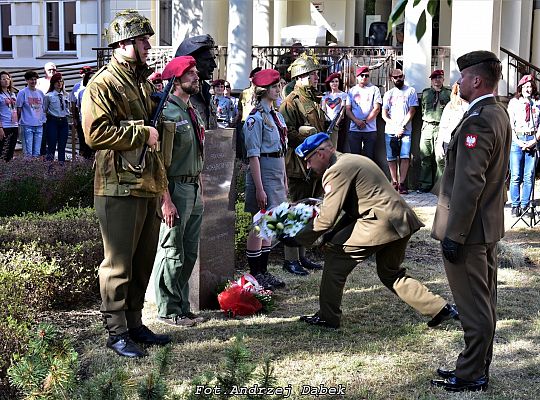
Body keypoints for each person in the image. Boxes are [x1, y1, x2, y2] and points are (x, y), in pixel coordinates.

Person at [288, 133, 458, 331]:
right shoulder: (351, 160)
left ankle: (328, 317)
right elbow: (355, 209)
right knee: (390, 273)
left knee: (336, 257)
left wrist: (297, 239)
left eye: (309, 160)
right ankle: (440, 309)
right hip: (401, 220)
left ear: (321, 154)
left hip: (381, 223)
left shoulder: (335, 171)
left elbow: (326, 218)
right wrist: (332, 235)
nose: (308, 166)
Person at [82, 9, 170, 358]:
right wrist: (140, 132)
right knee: (118, 264)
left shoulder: (141, 81)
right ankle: (116, 332)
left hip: (145, 181)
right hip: (117, 185)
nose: (148, 45)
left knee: (143, 259)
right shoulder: (102, 83)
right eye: (142, 40)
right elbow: (94, 133)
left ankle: (134, 323)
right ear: (122, 44)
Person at [431, 50, 511, 392]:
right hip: (485, 226)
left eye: (462, 77)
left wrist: (455, 234)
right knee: (484, 302)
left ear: (477, 80)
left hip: (470, 230)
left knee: (473, 306)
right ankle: (475, 366)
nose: (457, 82)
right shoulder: (497, 112)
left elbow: (468, 183)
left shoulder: (478, 119)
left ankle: (472, 373)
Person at [152, 56, 207, 327]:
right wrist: (166, 200)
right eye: (190, 74)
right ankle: (167, 308)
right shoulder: (167, 113)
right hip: (175, 188)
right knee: (173, 250)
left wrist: (201, 186)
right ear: (175, 80)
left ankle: (182, 306)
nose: (196, 77)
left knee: (189, 251)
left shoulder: (190, 109)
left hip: (193, 187)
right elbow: (158, 163)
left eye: (196, 72)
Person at [279, 53, 327, 276]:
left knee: (308, 210)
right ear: (300, 77)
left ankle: (302, 256)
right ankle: (290, 259)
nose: (316, 77)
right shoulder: (291, 103)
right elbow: (286, 133)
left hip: (314, 162)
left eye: (316, 73)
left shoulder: (313, 99)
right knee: (295, 209)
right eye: (312, 74)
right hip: (298, 164)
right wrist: (306, 136)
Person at [243, 68, 288, 291]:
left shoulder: (276, 115)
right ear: (262, 90)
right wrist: (259, 188)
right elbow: (253, 155)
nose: (278, 89)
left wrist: (285, 178)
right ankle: (256, 273)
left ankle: (265, 271)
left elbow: (281, 148)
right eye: (274, 86)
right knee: (259, 223)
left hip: (277, 169)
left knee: (271, 222)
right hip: (263, 171)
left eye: (278, 85)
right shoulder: (255, 118)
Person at [507, 74, 540, 217]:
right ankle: (515, 205)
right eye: (526, 87)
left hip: (533, 139)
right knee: (515, 175)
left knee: (529, 175)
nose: (529, 89)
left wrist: (535, 140)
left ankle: (525, 205)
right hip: (518, 140)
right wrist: (519, 142)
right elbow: (510, 125)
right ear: (521, 88)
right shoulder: (514, 102)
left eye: (531, 86)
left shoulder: (537, 102)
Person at [381, 68, 418, 194]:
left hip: (406, 130)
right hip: (390, 130)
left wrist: (402, 126)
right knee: (391, 158)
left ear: (404, 76)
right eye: (395, 77)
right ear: (391, 78)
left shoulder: (411, 91)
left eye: (400, 76)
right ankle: (394, 182)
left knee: (404, 157)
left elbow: (412, 111)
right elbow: (384, 114)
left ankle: (402, 183)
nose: (398, 79)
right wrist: (395, 126)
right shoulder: (388, 94)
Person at [417, 69, 452, 193]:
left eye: (439, 78)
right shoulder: (426, 93)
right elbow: (422, 110)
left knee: (440, 157)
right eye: (434, 78)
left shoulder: (449, 94)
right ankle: (424, 184)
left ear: (443, 79)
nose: (436, 80)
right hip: (427, 126)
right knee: (425, 156)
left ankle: (440, 185)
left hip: (441, 127)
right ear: (431, 80)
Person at [175, 34, 218, 129]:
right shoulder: (176, 98)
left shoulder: (206, 91)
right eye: (207, 60)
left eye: (213, 60)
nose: (214, 65)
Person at [345, 66, 382, 159]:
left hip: (370, 129)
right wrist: (357, 121)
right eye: (362, 75)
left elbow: (377, 108)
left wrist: (365, 122)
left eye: (366, 75)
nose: (364, 77)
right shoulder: (352, 90)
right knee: (354, 157)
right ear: (357, 76)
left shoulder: (374, 89)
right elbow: (348, 109)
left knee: (369, 157)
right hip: (354, 129)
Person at [435, 82, 468, 171]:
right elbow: (443, 126)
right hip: (450, 142)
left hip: (465, 143)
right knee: (450, 171)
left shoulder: (472, 105)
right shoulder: (451, 105)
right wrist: (439, 145)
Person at [16, 70, 46, 158]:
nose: (33, 81)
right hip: (27, 125)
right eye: (31, 79)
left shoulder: (40, 93)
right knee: (28, 152)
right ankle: (27, 171)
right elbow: (18, 109)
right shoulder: (22, 93)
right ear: (27, 80)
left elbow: (43, 108)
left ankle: (34, 171)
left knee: (37, 152)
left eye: (35, 79)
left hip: (39, 125)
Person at [236, 67, 261, 161]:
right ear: (251, 78)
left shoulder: (263, 93)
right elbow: (240, 109)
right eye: (256, 76)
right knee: (245, 148)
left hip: (258, 123)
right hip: (245, 123)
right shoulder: (245, 93)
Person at [44, 73, 69, 163]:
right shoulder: (48, 96)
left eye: (61, 81)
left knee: (62, 146)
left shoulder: (66, 95)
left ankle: (61, 168)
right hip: (53, 121)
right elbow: (44, 109)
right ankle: (49, 168)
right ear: (53, 83)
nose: (59, 83)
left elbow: (67, 108)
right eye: (57, 82)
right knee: (51, 145)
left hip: (64, 121)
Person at [69, 66, 94, 159]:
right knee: (83, 141)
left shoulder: (95, 85)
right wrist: (74, 118)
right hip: (82, 119)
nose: (87, 75)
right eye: (85, 73)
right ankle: (84, 161)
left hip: (93, 119)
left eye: (89, 73)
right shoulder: (78, 87)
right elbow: (74, 103)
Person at [321, 72, 348, 150]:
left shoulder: (343, 95)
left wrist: (336, 124)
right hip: (326, 123)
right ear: (329, 83)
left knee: (336, 146)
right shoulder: (325, 95)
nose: (334, 83)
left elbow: (342, 111)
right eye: (332, 81)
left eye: (336, 81)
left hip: (338, 123)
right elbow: (323, 109)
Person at [0, 71, 19, 161]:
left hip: (14, 125)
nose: (6, 81)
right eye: (3, 79)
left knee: (11, 151)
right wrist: (0, 127)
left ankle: (9, 173)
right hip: (4, 126)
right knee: (3, 151)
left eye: (8, 78)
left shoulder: (12, 94)